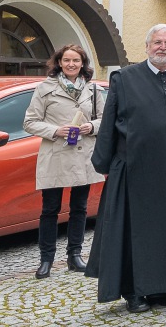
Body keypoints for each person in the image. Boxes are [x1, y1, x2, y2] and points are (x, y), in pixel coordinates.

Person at [85, 24, 166, 312]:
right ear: (147, 46)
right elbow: (110, 124)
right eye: (157, 42)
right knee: (135, 233)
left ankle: (165, 287)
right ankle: (134, 291)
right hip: (135, 171)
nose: (162, 47)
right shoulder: (125, 79)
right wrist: (104, 163)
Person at [23, 44, 106, 278]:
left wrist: (91, 127)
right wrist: (55, 130)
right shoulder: (45, 88)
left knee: (79, 208)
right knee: (50, 209)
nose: (71, 64)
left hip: (82, 154)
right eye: (67, 60)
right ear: (59, 62)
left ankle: (75, 255)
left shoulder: (93, 89)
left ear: (82, 64)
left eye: (76, 61)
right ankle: (46, 259)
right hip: (56, 155)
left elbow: (105, 119)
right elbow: (30, 122)